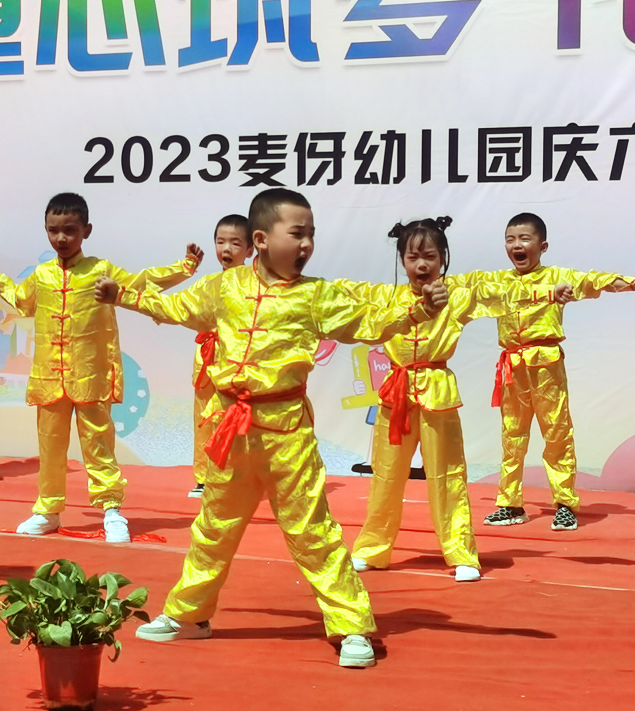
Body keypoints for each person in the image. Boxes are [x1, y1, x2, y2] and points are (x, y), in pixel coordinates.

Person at [93, 188, 448, 668]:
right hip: (232, 430)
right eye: (297, 233)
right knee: (213, 527)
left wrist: (420, 310)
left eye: (311, 235)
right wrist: (123, 296)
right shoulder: (224, 288)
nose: (306, 244)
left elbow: (368, 321)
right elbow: (176, 309)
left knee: (314, 532)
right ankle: (190, 615)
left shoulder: (316, 295)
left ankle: (351, 625)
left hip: (286, 435)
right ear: (261, 239)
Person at [0, 192, 202, 543]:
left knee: (99, 444)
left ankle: (111, 509)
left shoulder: (101, 271)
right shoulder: (41, 275)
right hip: (49, 377)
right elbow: (21, 302)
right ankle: (47, 509)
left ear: (86, 230)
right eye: (53, 230)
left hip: (91, 375)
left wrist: (184, 268)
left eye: (70, 230)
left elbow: (141, 283)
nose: (61, 238)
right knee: (50, 448)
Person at [349, 217, 545, 582]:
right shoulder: (385, 297)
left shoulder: (457, 294)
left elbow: (506, 288)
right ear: (402, 260)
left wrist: (552, 291)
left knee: (448, 475)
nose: (422, 265)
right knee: (386, 475)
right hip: (396, 394)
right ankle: (372, 548)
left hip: (438, 391)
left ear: (443, 258)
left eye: (430, 257)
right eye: (413, 257)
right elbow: (336, 296)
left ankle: (460, 552)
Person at [453, 213, 634, 531]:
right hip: (512, 367)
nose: (516, 245)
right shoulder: (498, 281)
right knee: (512, 436)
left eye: (524, 239)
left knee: (557, 434)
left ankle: (564, 503)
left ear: (542, 245)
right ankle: (510, 504)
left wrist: (630, 283)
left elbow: (599, 281)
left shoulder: (558, 277)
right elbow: (461, 285)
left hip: (546, 366)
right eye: (510, 240)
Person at [187, 214, 252, 499]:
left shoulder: (255, 285)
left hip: (237, 362)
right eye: (220, 242)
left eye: (235, 243)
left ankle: (238, 475)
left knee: (234, 418)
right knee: (203, 418)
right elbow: (182, 308)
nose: (226, 249)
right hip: (206, 358)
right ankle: (204, 477)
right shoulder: (207, 283)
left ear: (250, 249)